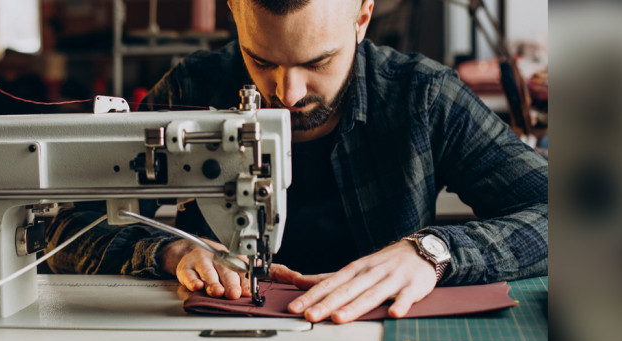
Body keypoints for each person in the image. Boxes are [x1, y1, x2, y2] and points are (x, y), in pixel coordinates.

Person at [45, 0, 548, 324]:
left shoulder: (424, 97)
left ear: (363, 17)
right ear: (235, 13)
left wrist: (434, 252)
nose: (287, 94)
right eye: (261, 61)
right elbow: (66, 226)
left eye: (317, 62)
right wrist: (170, 254)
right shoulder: (192, 90)